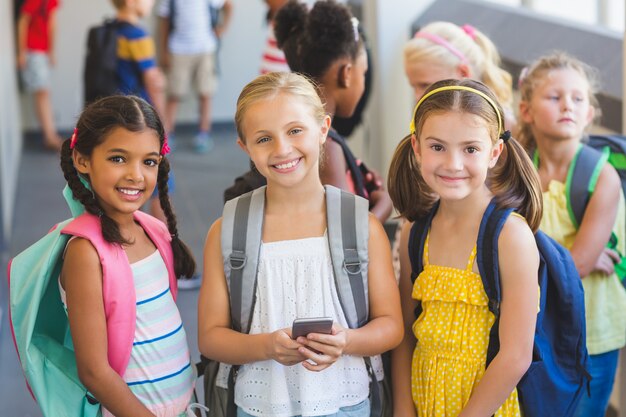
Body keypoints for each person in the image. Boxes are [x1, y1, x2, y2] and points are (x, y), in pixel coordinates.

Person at [198, 71, 403, 416]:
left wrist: (346, 342)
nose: (282, 149)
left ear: (323, 129)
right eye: (263, 139)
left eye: (295, 131)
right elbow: (210, 337)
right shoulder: (228, 231)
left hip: (347, 403)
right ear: (244, 147)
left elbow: (391, 325)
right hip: (259, 406)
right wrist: (266, 346)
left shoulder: (361, 226)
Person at [388, 79, 541, 416]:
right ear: (416, 147)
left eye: (470, 149)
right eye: (437, 147)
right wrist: (402, 407)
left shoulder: (509, 236)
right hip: (423, 397)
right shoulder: (415, 230)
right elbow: (404, 333)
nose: (453, 164)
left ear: (494, 153)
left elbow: (516, 355)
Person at [59, 95, 197, 417]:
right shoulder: (86, 252)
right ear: (82, 160)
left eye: (148, 161)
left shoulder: (154, 231)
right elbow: (94, 371)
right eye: (118, 159)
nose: (136, 175)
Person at [518, 51, 626, 417]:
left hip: (592, 332)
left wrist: (573, 259)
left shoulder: (601, 176)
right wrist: (576, 256)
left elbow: (573, 265)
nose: (568, 106)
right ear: (527, 110)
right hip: (535, 329)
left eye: (578, 99)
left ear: (590, 114)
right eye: (554, 97)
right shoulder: (520, 172)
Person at [274, 0, 393, 223]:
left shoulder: (298, 127)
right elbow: (348, 233)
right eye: (363, 72)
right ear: (346, 74)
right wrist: (385, 204)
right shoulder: (325, 144)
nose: (364, 83)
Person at [404, 21, 516, 131]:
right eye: (413, 87)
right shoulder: (426, 118)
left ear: (463, 73)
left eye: (425, 85)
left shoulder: (502, 125)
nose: (417, 96)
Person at [157, 0, 233, 153]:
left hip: (205, 50)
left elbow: (228, 5)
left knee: (205, 92)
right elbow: (164, 23)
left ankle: (203, 134)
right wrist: (163, 52)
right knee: (174, 94)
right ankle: (167, 133)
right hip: (177, 50)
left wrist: (223, 28)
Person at [16, 0, 64, 151]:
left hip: (42, 52)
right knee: (42, 93)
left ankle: (51, 135)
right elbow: (23, 22)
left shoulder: (52, 1)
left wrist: (51, 51)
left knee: (44, 93)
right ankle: (49, 137)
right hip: (33, 51)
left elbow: (52, 24)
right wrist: (21, 52)